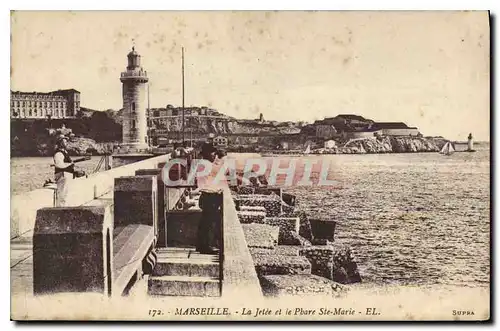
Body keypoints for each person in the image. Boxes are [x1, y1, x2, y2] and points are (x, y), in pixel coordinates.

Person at [53, 135, 75, 207]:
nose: (66, 142)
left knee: (65, 195)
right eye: (64, 141)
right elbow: (60, 165)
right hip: (63, 176)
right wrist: (70, 164)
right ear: (60, 143)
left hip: (66, 175)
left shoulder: (64, 152)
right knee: (62, 196)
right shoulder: (58, 153)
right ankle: (61, 210)